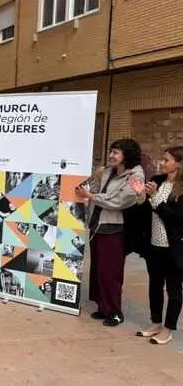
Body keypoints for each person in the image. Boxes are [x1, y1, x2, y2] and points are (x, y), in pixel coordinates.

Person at [75, 138, 145, 327]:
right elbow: (95, 189)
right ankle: (103, 307)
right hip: (97, 225)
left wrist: (91, 196)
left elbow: (119, 202)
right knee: (98, 270)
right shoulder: (108, 171)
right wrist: (91, 185)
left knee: (111, 273)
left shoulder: (135, 175)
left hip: (115, 229)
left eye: (116, 152)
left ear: (127, 155)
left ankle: (115, 312)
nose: (111, 155)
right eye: (111, 151)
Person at [130, 147, 183, 345]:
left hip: (174, 248)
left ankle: (168, 329)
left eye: (166, 160)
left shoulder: (181, 188)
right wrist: (140, 196)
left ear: (179, 164)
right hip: (153, 245)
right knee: (155, 286)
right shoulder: (158, 181)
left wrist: (154, 198)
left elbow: (175, 219)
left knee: (174, 290)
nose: (162, 163)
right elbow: (146, 211)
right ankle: (156, 323)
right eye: (162, 159)